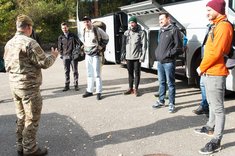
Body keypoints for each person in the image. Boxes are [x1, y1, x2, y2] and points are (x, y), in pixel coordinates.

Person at [4, 14, 58, 156]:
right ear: (28, 27)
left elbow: (6, 66)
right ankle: (30, 149)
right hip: (29, 88)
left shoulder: (9, 44)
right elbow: (44, 63)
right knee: (32, 119)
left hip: (14, 86)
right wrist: (53, 56)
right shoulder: (30, 42)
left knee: (21, 117)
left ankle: (20, 146)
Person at [195, 0, 233, 154]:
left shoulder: (224, 26)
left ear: (218, 10)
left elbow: (216, 52)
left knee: (218, 108)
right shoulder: (216, 24)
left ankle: (217, 140)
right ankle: (210, 127)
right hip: (209, 71)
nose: (207, 13)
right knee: (211, 103)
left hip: (216, 72)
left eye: (210, 10)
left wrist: (201, 67)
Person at [152, 12, 183, 113]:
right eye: (159, 19)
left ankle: (171, 103)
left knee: (170, 83)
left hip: (169, 62)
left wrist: (168, 54)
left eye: (162, 19)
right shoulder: (161, 30)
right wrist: (157, 53)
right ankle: (161, 101)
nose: (160, 21)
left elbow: (178, 47)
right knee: (161, 82)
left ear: (168, 19)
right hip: (160, 61)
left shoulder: (174, 30)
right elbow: (160, 44)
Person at [82, 16, 109, 100]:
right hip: (88, 55)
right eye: (85, 22)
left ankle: (98, 92)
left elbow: (106, 38)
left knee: (97, 74)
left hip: (96, 55)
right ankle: (89, 91)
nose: (86, 23)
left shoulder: (97, 29)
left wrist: (100, 47)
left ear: (90, 22)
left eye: (87, 21)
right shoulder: (84, 30)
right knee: (89, 73)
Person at [122, 16, 146, 97]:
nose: (131, 24)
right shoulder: (126, 33)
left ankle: (136, 89)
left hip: (137, 57)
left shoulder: (141, 32)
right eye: (130, 22)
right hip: (128, 56)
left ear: (136, 23)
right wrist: (123, 55)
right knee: (130, 73)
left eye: (133, 22)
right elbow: (123, 45)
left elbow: (144, 46)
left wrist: (142, 56)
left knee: (137, 73)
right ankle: (130, 88)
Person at [58, 22, 82, 91]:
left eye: (65, 28)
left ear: (68, 28)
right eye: (63, 28)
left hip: (73, 56)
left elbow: (79, 43)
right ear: (61, 29)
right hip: (65, 56)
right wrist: (61, 54)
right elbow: (59, 47)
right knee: (66, 71)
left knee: (75, 71)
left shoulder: (73, 35)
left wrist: (77, 52)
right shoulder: (60, 37)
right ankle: (67, 85)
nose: (64, 29)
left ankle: (76, 85)